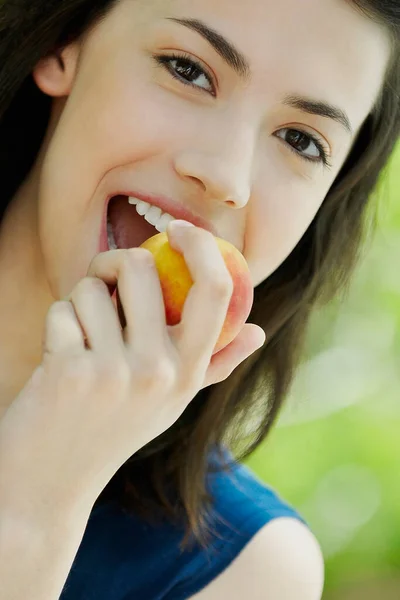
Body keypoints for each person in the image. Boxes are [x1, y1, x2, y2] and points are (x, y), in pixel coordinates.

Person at [0, 0, 398, 597]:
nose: (226, 177)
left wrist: (35, 515)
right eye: (187, 70)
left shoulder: (244, 573)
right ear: (65, 43)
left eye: (301, 140)